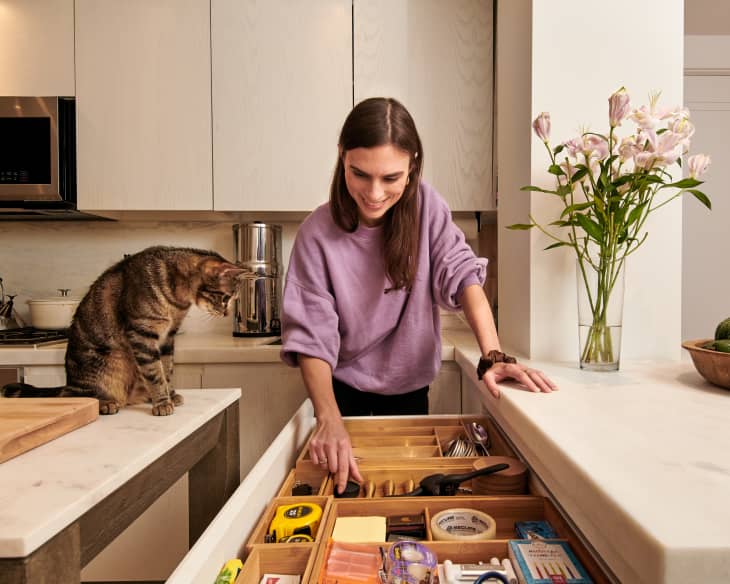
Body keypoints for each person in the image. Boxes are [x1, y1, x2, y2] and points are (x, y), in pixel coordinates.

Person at [280, 97, 556, 494]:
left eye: (390, 178)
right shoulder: (316, 234)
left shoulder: (428, 209)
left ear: (412, 167)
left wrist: (493, 355)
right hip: (339, 396)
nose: (374, 193)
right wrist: (328, 417)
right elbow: (311, 336)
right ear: (342, 158)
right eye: (360, 174)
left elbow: (463, 276)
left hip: (410, 393)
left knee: (407, 495)